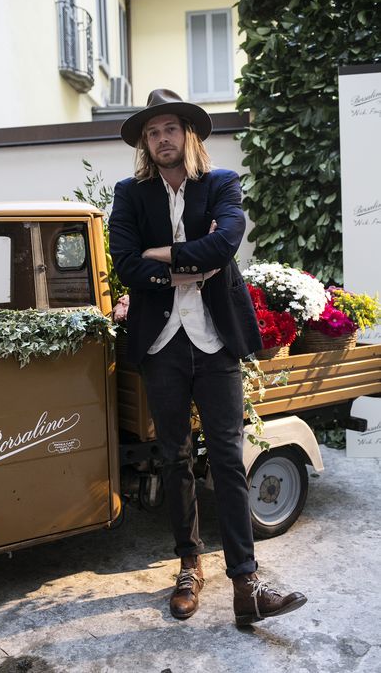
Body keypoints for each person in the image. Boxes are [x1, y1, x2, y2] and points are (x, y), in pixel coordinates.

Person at [108, 88, 307, 626]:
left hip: (216, 340)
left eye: (170, 128)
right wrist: (182, 267)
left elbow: (226, 245)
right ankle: (189, 567)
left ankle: (247, 584)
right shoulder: (130, 194)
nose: (162, 138)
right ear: (145, 144)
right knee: (174, 458)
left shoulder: (221, 184)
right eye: (152, 132)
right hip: (162, 343)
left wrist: (163, 255)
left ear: (187, 134)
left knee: (227, 458)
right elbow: (127, 263)